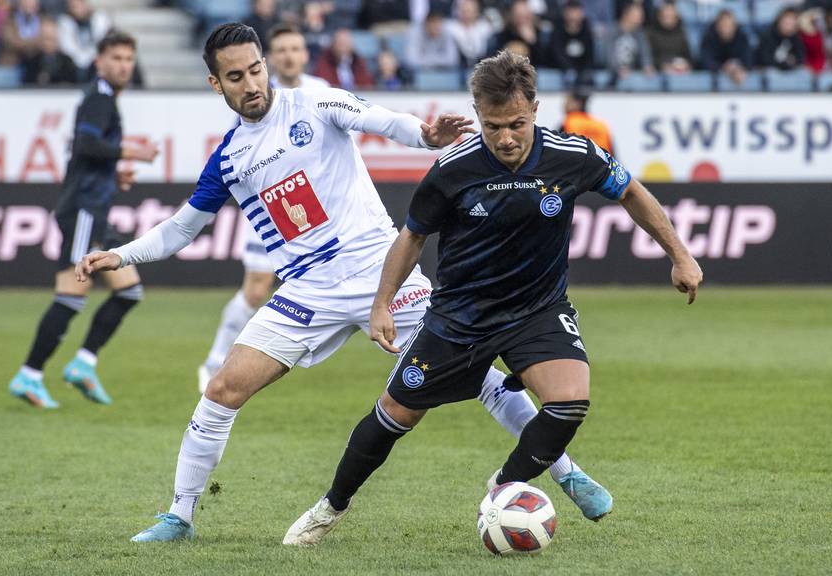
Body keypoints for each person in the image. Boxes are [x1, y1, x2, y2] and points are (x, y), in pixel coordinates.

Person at [75, 23, 606, 542]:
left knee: (479, 376)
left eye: (255, 70)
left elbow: (380, 119)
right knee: (220, 390)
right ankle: (179, 516)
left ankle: (567, 473)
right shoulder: (230, 159)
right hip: (307, 292)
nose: (251, 84)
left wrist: (423, 135)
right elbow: (182, 229)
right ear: (217, 84)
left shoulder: (315, 104)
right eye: (235, 77)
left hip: (384, 275)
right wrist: (119, 254)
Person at [283, 49, 702, 546]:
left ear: (536, 111)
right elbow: (411, 237)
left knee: (570, 402)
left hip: (537, 309)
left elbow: (631, 190)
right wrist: (381, 306)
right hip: (459, 317)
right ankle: (330, 506)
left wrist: (680, 254)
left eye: (516, 124)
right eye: (493, 125)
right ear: (478, 115)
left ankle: (504, 490)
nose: (505, 137)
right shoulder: (451, 170)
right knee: (395, 416)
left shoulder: (575, 156)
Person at [8, 30, 159, 409]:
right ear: (100, 62)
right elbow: (87, 144)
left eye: (128, 58)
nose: (124, 65)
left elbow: (86, 155)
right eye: (117, 58)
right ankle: (29, 374)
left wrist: (114, 174)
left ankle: (83, 364)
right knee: (72, 296)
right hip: (84, 213)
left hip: (95, 212)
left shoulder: (105, 100)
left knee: (129, 291)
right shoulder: (98, 100)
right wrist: (132, 153)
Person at [196, 23, 330, 393]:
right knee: (255, 291)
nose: (289, 55)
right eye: (282, 49)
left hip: (321, 216)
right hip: (274, 209)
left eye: (296, 48)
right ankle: (213, 363)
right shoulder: (252, 97)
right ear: (270, 58)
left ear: (304, 54)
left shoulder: (320, 92)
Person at [58, 0, 111, 78]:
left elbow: (101, 41)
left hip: (96, 60)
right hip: (73, 65)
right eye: (73, 6)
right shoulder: (64, 22)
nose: (76, 9)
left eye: (78, 4)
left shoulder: (100, 18)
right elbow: (68, 47)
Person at [21, 17, 79, 86]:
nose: (48, 43)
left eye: (51, 38)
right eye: (45, 38)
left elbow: (73, 86)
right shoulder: (30, 63)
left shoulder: (67, 62)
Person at [699, 9, 751, 85]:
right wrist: (723, 68)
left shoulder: (742, 37)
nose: (726, 29)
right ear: (717, 26)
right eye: (723, 25)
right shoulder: (709, 38)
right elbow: (706, 61)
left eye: (729, 25)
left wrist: (739, 68)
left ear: (734, 26)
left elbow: (749, 59)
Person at [608, 2, 653, 82]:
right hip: (613, 73)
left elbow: (645, 52)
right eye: (638, 15)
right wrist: (618, 69)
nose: (641, 18)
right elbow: (609, 55)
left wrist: (647, 66)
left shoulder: (639, 34)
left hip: (632, 72)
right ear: (626, 15)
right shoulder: (612, 31)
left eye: (641, 15)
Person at [561, 88, 614, 156]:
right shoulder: (601, 125)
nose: (564, 105)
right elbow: (613, 155)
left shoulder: (569, 123)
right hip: (602, 165)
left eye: (567, 101)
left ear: (577, 103)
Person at [550, 0, 595, 77]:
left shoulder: (587, 30)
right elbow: (557, 54)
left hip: (582, 72)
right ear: (565, 13)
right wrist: (569, 69)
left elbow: (590, 56)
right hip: (561, 71)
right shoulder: (557, 30)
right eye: (571, 13)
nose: (573, 17)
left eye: (576, 13)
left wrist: (583, 72)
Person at [645, 0, 692, 74]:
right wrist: (662, 66)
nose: (668, 17)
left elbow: (688, 56)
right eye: (666, 15)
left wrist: (686, 65)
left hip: (679, 72)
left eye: (671, 16)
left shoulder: (681, 33)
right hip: (658, 73)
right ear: (659, 15)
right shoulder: (650, 33)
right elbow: (648, 57)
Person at [445, 0, 493, 67]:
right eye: (464, 11)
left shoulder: (484, 27)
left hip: (481, 65)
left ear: (476, 12)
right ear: (458, 11)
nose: (467, 14)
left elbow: (483, 52)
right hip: (456, 66)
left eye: (470, 11)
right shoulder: (450, 27)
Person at [0, 0, 43, 65]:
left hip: (37, 61)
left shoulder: (43, 21)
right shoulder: (10, 20)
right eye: (26, 2)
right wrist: (34, 43)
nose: (28, 4)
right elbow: (11, 42)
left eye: (31, 2)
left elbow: (45, 41)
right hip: (15, 61)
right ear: (19, 4)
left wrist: (24, 42)